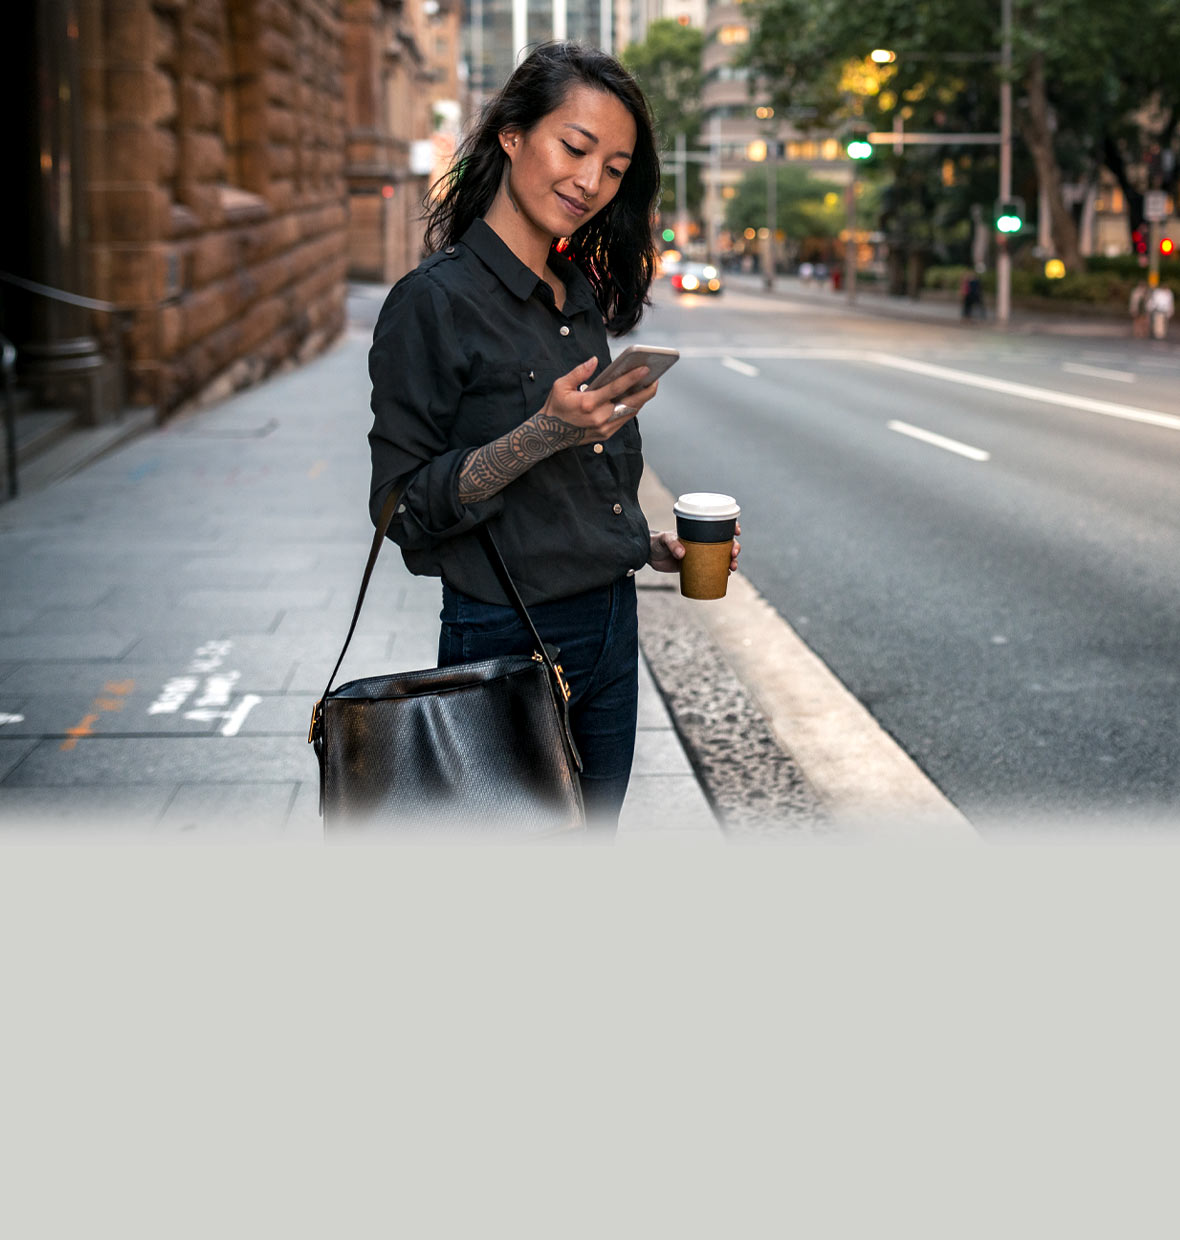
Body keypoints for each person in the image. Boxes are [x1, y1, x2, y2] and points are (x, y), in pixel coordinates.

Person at [366, 42, 740, 832]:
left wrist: (650, 546)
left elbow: (585, 481)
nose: (590, 183)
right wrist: (538, 435)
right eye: (575, 148)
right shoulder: (433, 302)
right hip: (506, 633)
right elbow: (400, 507)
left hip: (611, 623)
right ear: (511, 134)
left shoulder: (572, 294)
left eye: (614, 168)